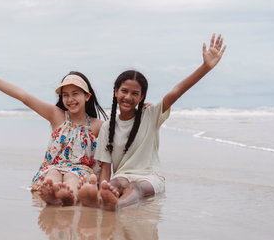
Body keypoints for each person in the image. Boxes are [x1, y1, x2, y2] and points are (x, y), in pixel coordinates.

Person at [78, 33, 227, 210]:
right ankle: (102, 199)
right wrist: (103, 187)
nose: (128, 97)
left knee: (136, 187)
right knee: (116, 183)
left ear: (142, 97)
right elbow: (105, 167)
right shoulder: (107, 127)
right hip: (122, 175)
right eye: (124, 91)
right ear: (115, 91)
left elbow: (176, 91)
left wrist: (205, 67)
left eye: (135, 94)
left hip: (150, 177)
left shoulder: (151, 115)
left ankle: (117, 205)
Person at [0, 59, 107, 206]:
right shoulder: (57, 115)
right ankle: (53, 193)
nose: (70, 99)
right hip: (53, 167)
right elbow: (24, 96)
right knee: (52, 175)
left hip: (80, 172)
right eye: (65, 95)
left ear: (87, 96)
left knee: (72, 177)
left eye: (75, 94)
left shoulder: (97, 125)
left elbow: (107, 157)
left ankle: (68, 196)